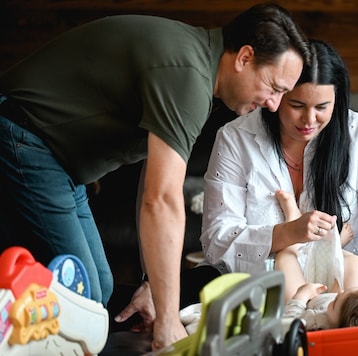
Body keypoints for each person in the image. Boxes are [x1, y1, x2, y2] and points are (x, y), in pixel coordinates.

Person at [0, 3, 310, 350]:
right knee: (84, 297)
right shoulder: (188, 76)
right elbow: (162, 200)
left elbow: (151, 185)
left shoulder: (197, 73)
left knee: (99, 288)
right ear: (244, 57)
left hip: (57, 161)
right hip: (24, 137)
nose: (274, 104)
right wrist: (167, 318)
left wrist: (153, 284)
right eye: (275, 87)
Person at [199, 39, 358, 308]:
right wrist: (289, 233)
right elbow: (217, 238)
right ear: (278, 94)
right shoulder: (235, 138)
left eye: (321, 107)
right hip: (261, 285)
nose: (309, 120)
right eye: (296, 105)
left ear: (337, 101)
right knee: (191, 288)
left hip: (351, 283)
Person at [274, 189, 358, 302]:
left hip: (303, 310)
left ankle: (293, 219)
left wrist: (301, 297)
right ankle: (335, 246)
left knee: (285, 257)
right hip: (340, 310)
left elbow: (294, 311)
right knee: (355, 264)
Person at [284, 282, 358, 331]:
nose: (340, 292)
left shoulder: (317, 320)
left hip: (311, 297)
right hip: (330, 295)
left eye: (335, 302)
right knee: (354, 262)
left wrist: (302, 295)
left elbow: (288, 324)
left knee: (286, 258)